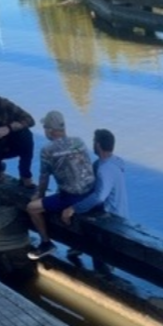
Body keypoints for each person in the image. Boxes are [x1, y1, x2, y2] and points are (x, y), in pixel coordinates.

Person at [26, 111, 96, 259]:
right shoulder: (79, 141)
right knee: (62, 190)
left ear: (50, 130)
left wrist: (39, 195)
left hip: (72, 197)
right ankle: (75, 247)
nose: (44, 131)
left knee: (32, 208)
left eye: (45, 127)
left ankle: (46, 244)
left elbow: (44, 179)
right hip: (90, 192)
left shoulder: (47, 150)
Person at [61, 129, 129, 270]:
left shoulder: (104, 169)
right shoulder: (114, 162)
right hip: (121, 213)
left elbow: (99, 197)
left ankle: (97, 268)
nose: (92, 144)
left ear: (98, 145)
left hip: (111, 219)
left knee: (79, 213)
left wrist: (73, 208)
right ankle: (79, 248)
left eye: (93, 142)